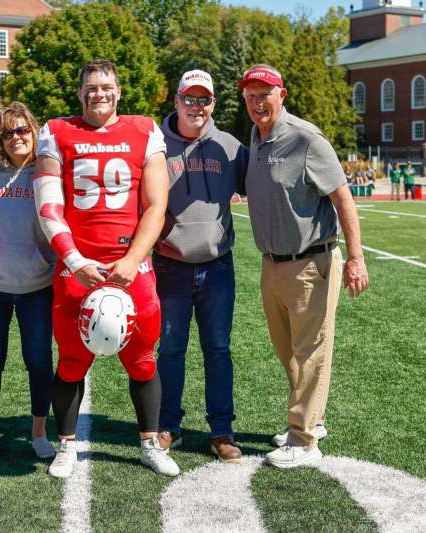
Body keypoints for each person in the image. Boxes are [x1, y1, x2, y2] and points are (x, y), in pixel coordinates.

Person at [34, 59, 179, 478]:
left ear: (118, 90)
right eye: (91, 87)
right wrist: (74, 260)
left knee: (143, 360)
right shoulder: (57, 131)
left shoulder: (144, 129)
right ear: (80, 93)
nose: (100, 93)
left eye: (107, 86)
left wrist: (133, 259)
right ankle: (66, 445)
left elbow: (156, 204)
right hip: (77, 269)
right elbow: (47, 205)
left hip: (131, 268)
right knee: (71, 361)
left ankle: (150, 442)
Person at [240, 64, 369, 468]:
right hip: (272, 264)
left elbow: (343, 199)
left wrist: (356, 258)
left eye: (266, 94)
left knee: (310, 352)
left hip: (311, 262)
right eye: (251, 95)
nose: (258, 102)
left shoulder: (307, 139)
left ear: (283, 94)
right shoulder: (257, 137)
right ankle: (313, 419)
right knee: (289, 354)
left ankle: (304, 439)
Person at [153, 69, 248, 463]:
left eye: (204, 100)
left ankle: (221, 431)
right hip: (169, 266)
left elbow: (261, 185)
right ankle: (166, 425)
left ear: (213, 104)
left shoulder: (229, 147)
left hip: (217, 266)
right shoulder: (154, 146)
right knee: (170, 349)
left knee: (218, 349)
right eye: (189, 99)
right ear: (175, 101)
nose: (197, 107)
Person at [0, 102, 57, 465]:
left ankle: (38, 432)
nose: (16, 138)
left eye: (22, 130)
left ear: (34, 131)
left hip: (38, 286)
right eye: (8, 133)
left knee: (38, 362)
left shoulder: (48, 171)